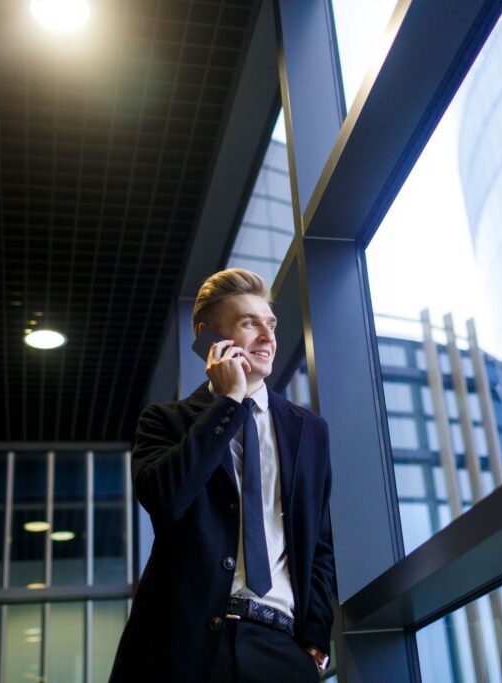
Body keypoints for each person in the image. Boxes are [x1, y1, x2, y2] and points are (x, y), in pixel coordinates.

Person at [108, 268, 334, 682]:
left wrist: (315, 640)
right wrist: (228, 403)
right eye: (250, 323)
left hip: (280, 646)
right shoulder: (164, 421)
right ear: (208, 338)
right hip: (179, 648)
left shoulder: (309, 430)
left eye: (271, 324)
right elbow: (166, 498)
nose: (268, 336)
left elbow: (318, 542)